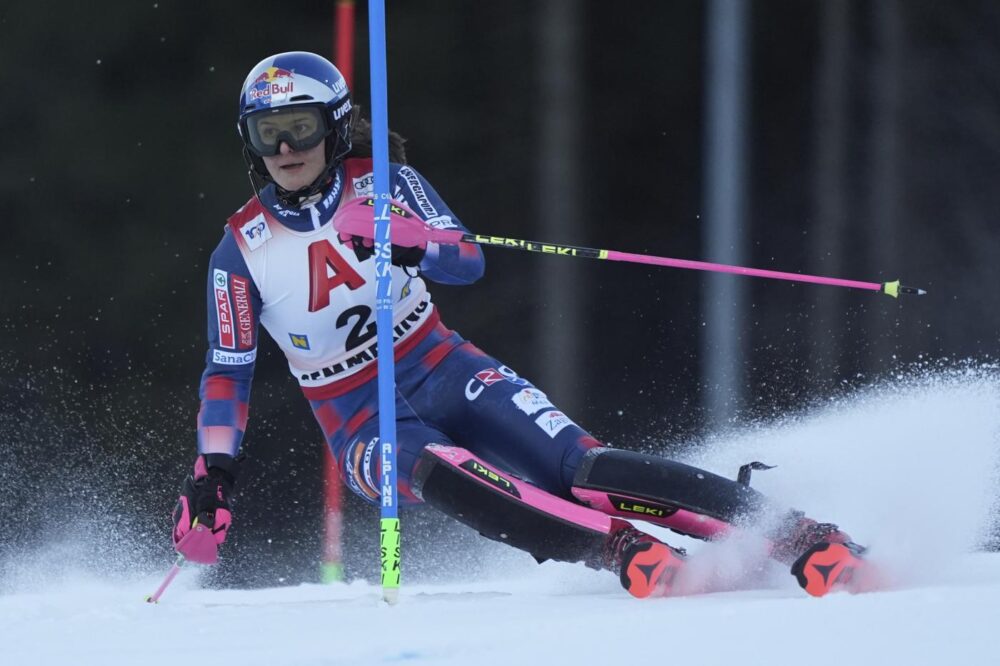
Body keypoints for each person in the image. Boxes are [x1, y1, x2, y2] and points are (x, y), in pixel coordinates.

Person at [171, 51, 873, 599]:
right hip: (356, 416)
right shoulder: (241, 250)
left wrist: (407, 240)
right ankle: (623, 550)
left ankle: (798, 536)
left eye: (300, 128)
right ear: (250, 142)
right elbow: (227, 373)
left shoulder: (384, 180)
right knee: (444, 470)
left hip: (442, 365)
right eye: (269, 135)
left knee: (581, 469)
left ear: (332, 124)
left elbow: (467, 260)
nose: (286, 150)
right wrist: (215, 474)